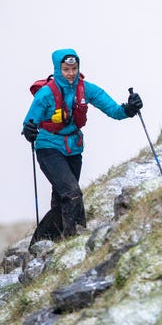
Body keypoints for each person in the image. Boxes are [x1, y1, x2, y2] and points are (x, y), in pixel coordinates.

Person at [22, 48, 143, 247]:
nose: (71, 73)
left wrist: (129, 109)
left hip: (74, 149)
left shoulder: (86, 89)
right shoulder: (46, 94)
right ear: (58, 69)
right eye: (66, 69)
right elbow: (29, 122)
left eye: (74, 68)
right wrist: (28, 131)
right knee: (72, 193)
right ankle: (74, 241)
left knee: (62, 199)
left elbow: (113, 110)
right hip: (48, 148)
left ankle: (44, 243)